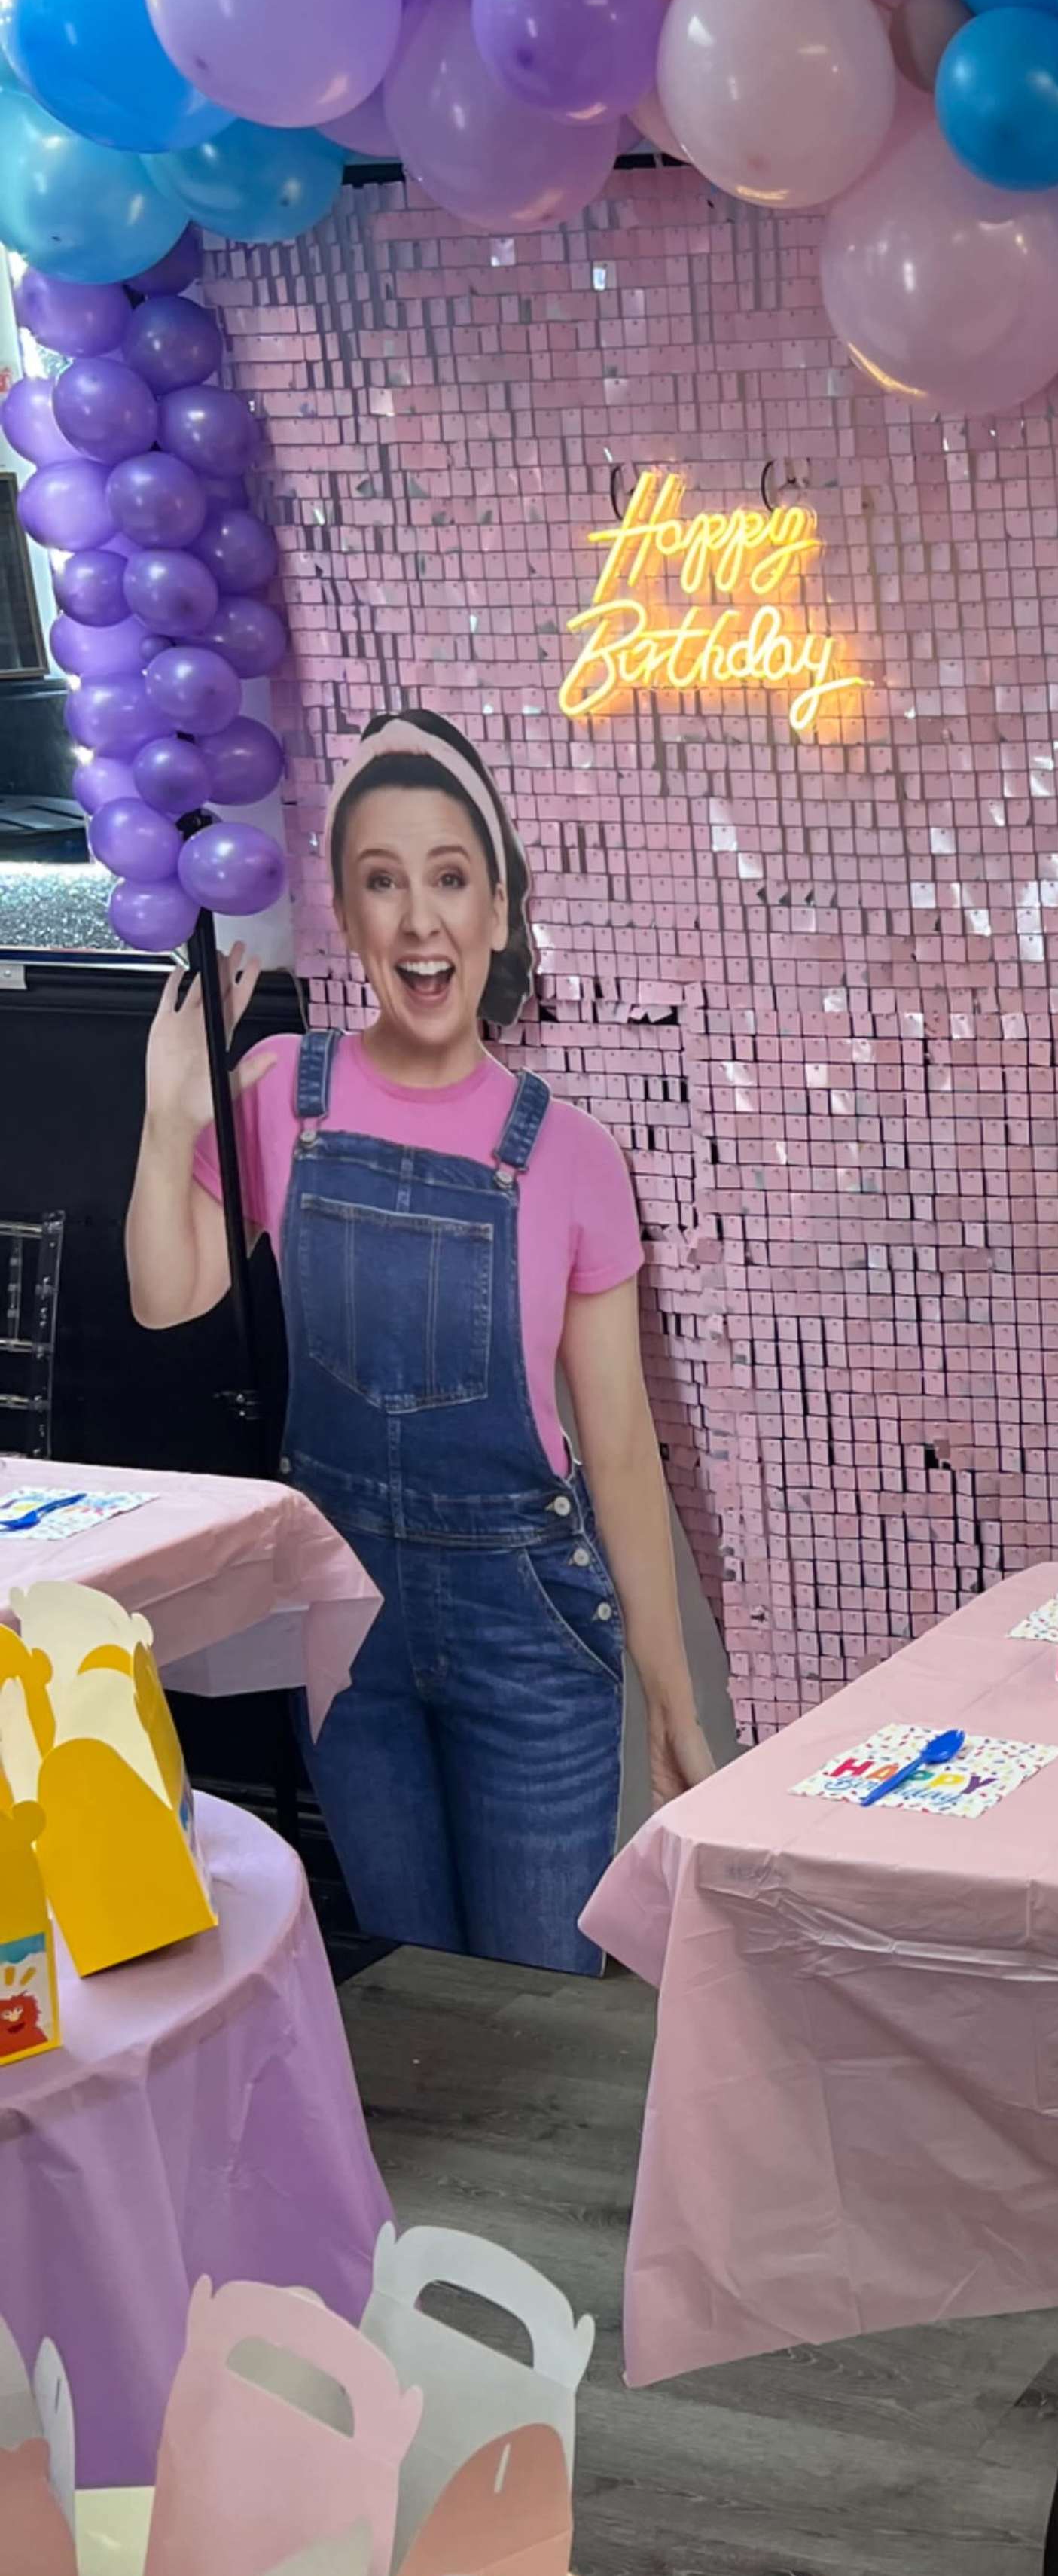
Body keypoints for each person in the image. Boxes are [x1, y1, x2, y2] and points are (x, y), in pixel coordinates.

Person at [127, 708, 713, 1969]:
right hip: (345, 1622)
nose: (418, 917)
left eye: (449, 877)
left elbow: (619, 1448)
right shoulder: (285, 1089)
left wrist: (670, 1699)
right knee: (406, 2005)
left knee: (539, 2002)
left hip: (530, 1635)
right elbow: (165, 1299)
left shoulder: (570, 1152)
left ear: (499, 909)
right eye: (381, 880)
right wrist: (168, 1110)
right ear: (345, 908)